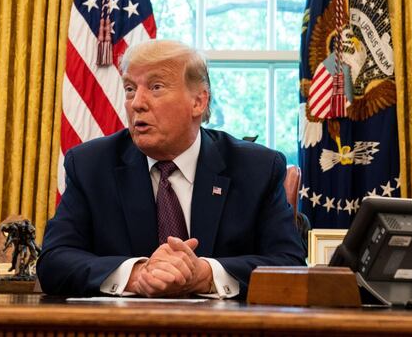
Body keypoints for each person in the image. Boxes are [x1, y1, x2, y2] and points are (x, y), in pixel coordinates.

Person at [38, 39, 305, 298]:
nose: (137, 103)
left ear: (198, 102)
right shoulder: (91, 165)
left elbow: (289, 265)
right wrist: (137, 274)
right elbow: (54, 261)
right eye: (130, 89)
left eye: (155, 87)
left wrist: (205, 274)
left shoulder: (256, 169)